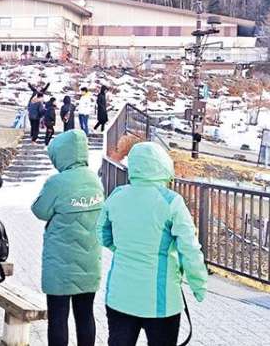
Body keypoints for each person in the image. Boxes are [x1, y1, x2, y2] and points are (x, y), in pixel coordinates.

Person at [97, 142, 208, 345]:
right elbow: (189, 249)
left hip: (120, 297)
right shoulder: (171, 201)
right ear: (163, 165)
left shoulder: (117, 195)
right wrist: (198, 285)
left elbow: (102, 233)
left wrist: (122, 249)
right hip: (161, 301)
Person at [32, 130, 104, 346]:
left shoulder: (57, 182)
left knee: (58, 318)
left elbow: (40, 211)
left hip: (60, 264)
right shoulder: (95, 180)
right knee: (85, 315)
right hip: (89, 262)